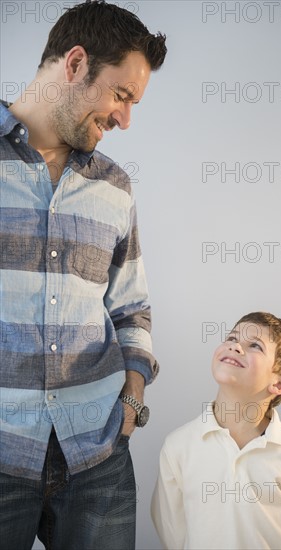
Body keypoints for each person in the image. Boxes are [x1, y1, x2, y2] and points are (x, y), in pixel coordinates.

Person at [0, 1, 166, 548]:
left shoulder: (115, 187)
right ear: (75, 64)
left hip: (97, 459)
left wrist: (133, 397)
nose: (126, 119)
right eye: (122, 95)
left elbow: (130, 308)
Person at [151, 311, 281, 550]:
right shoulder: (178, 446)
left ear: (279, 384)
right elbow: (173, 533)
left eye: (255, 345)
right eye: (232, 338)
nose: (235, 347)